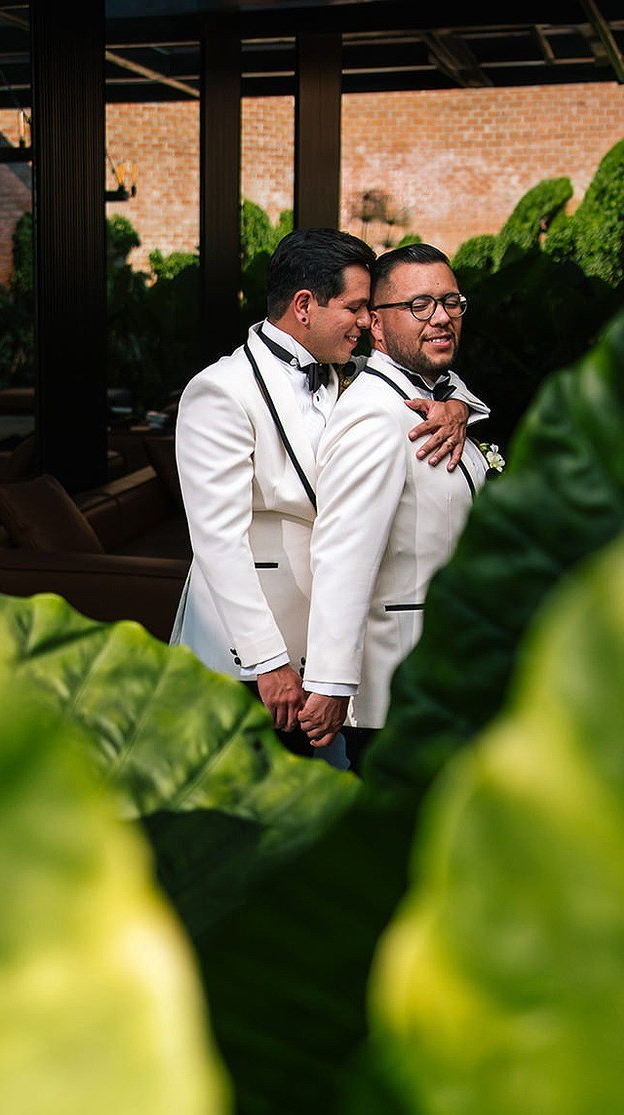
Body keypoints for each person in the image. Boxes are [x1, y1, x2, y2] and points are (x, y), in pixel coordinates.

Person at [169, 228, 478, 760]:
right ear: (305, 306)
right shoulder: (220, 391)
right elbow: (217, 542)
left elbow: (429, 380)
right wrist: (268, 663)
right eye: (356, 308)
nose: (368, 322)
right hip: (247, 653)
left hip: (325, 646)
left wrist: (458, 409)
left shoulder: (352, 370)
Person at [298, 241, 495, 772]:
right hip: (401, 689)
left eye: (451, 302)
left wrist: (459, 407)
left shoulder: (436, 399)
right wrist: (331, 683)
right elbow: (342, 556)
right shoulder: (376, 419)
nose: (441, 318)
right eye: (420, 305)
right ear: (377, 326)